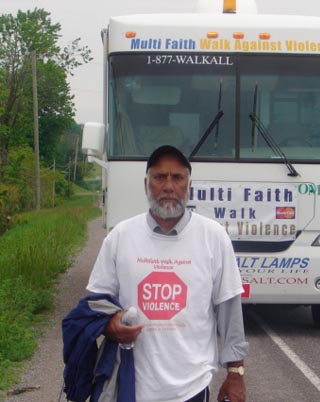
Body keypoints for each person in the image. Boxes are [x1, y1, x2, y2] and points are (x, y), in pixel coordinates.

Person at [86, 145, 248, 402]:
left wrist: (235, 371)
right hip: (130, 384)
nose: (168, 186)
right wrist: (110, 325)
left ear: (189, 184)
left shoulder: (213, 237)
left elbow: (229, 310)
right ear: (146, 184)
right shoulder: (120, 236)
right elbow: (96, 304)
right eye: (159, 177)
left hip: (191, 387)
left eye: (178, 177)